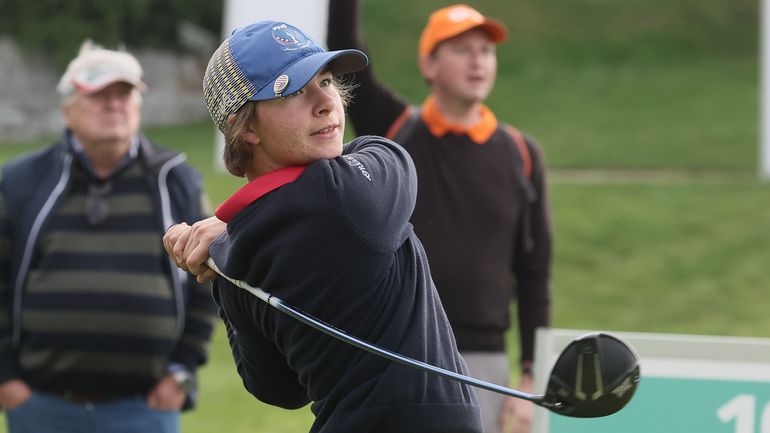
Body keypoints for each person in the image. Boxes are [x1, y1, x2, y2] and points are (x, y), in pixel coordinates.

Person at [162, 20, 483, 433]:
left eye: (326, 81)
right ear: (248, 128)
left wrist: (228, 246)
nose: (326, 102)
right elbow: (392, 154)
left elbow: (278, 389)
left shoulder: (231, 255)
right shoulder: (345, 193)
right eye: (294, 90)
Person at [327, 2, 553, 432]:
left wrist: (530, 377)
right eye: (462, 49)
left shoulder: (521, 155)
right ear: (428, 64)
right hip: (396, 350)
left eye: (486, 51)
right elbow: (344, 52)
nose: (477, 60)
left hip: (483, 364)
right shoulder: (395, 129)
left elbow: (534, 273)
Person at [0, 41, 217, 433]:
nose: (114, 104)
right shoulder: (20, 182)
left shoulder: (175, 180)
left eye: (125, 93)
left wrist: (181, 371)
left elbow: (207, 282)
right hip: (41, 407)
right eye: (100, 95)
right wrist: (6, 381)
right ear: (68, 110)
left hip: (146, 408)